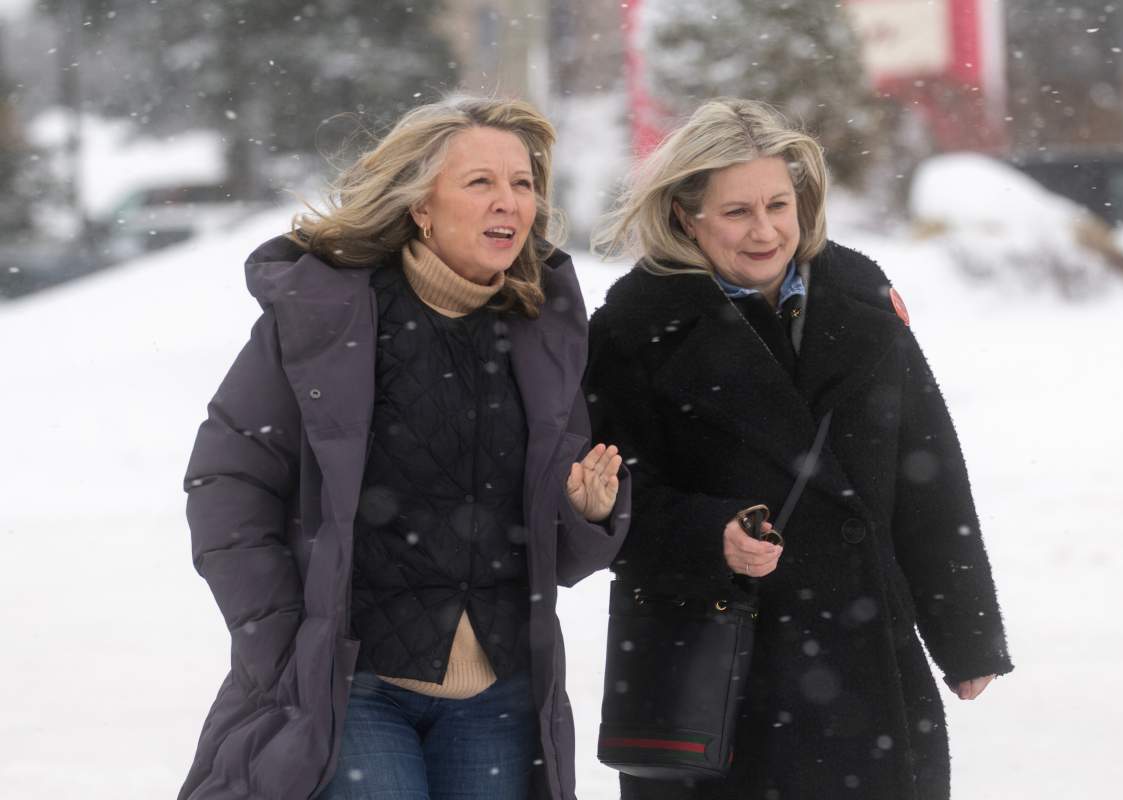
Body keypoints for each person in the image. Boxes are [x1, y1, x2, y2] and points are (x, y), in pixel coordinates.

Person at [179, 96, 630, 800]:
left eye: (522, 182)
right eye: (480, 182)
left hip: (502, 693)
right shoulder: (326, 322)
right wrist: (281, 647)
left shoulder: (546, 333)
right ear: (421, 205)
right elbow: (227, 482)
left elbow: (560, 558)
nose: (508, 202)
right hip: (357, 687)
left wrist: (585, 514)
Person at [586, 98, 1012, 800]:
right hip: (720, 679)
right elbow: (612, 504)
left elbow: (928, 475)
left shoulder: (860, 296)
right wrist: (709, 535)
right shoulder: (636, 328)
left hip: (868, 660)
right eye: (737, 212)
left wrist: (964, 634)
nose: (766, 231)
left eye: (778, 205)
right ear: (686, 216)